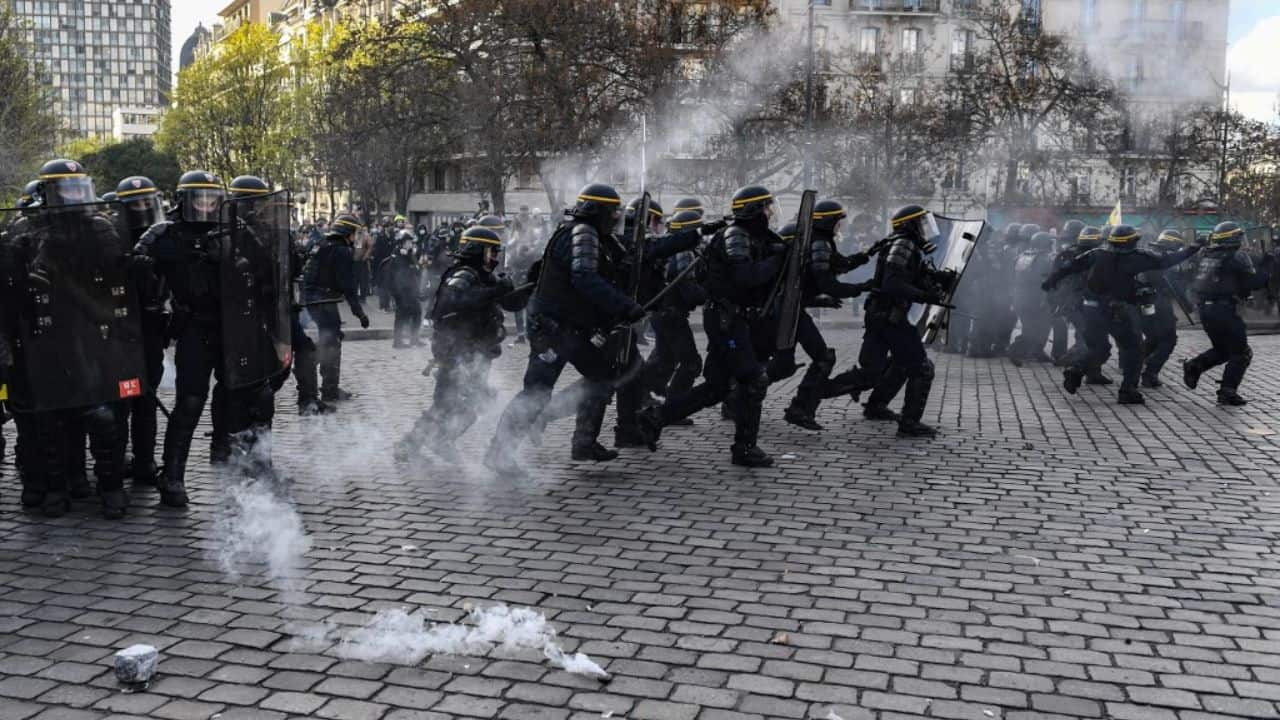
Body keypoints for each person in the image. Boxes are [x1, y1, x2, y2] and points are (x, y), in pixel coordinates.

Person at [483, 183, 644, 473]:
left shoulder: (590, 234)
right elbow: (585, 279)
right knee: (537, 392)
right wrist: (624, 306)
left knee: (603, 376)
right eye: (613, 211)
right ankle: (499, 453)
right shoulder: (582, 233)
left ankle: (584, 442)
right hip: (553, 330)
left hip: (569, 329)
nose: (616, 217)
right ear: (599, 211)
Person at [8, 159, 132, 517]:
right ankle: (56, 488)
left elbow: (117, 279)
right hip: (43, 336)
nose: (76, 197)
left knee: (103, 416)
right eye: (67, 190)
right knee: (49, 419)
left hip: (93, 334)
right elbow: (11, 290)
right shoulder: (26, 233)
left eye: (80, 188)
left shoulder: (100, 230)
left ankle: (110, 487)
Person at [637, 185, 787, 467]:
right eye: (766, 207)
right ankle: (744, 448)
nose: (770, 212)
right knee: (753, 379)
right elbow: (745, 276)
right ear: (755, 210)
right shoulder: (736, 236)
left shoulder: (749, 236)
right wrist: (775, 261)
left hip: (728, 318)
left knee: (717, 387)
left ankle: (656, 418)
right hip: (725, 320)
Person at [397, 226, 529, 462]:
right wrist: (495, 290)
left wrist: (525, 287)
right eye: (491, 252)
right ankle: (410, 445)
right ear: (477, 250)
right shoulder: (464, 274)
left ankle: (437, 440)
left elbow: (506, 302)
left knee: (471, 403)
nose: (495, 258)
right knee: (447, 404)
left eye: (497, 252)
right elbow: (457, 300)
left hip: (474, 350)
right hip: (455, 350)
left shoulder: (482, 276)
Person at [1043, 224, 1199, 404]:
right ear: (1133, 241)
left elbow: (1071, 266)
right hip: (1116, 311)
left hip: (1091, 310)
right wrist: (1193, 248)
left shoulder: (1096, 254)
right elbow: (1167, 260)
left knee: (1100, 349)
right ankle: (1128, 391)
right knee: (1134, 350)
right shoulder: (1136, 258)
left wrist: (1051, 282)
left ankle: (1076, 371)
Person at [778, 200, 872, 431]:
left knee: (781, 365)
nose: (840, 226)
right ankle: (800, 408)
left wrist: (865, 255)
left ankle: (736, 400)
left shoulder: (819, 241)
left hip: (788, 308)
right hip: (788, 310)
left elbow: (836, 266)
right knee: (823, 357)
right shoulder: (819, 243)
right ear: (829, 221)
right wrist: (858, 288)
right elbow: (826, 281)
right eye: (838, 221)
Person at [115, 176, 169, 486]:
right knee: (121, 399)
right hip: (120, 329)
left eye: (147, 201)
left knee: (146, 399)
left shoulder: (163, 238)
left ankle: (145, 461)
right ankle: (117, 459)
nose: (142, 208)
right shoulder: (112, 237)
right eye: (135, 203)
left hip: (150, 328)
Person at [1183, 221, 1274, 405]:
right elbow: (1254, 282)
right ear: (1232, 239)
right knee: (1241, 353)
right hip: (1223, 310)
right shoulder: (1235, 257)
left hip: (1206, 310)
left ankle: (1195, 366)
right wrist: (1267, 266)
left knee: (1223, 350)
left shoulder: (1206, 255)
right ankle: (1227, 391)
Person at [641, 209, 707, 407]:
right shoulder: (684, 253)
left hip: (664, 314)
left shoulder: (673, 249)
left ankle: (640, 395)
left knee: (665, 361)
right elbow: (688, 288)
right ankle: (672, 407)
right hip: (671, 315)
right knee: (691, 363)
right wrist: (708, 293)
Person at [302, 214, 371, 403]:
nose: (356, 239)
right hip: (323, 300)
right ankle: (327, 389)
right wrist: (360, 313)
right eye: (355, 234)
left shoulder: (321, 244)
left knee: (329, 339)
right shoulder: (340, 251)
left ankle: (326, 386)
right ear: (347, 233)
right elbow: (348, 286)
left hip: (314, 299)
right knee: (331, 343)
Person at [1137, 229, 1190, 387]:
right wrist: (1187, 305)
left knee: (1153, 338)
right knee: (1168, 339)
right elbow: (1173, 285)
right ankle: (1150, 372)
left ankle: (1133, 364)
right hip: (1158, 302)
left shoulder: (1148, 254)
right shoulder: (1164, 259)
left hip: (1143, 302)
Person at [1008, 231, 1057, 365]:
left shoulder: (1022, 256)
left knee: (1030, 327)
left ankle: (1036, 351)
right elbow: (1045, 280)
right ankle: (1015, 350)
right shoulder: (1046, 258)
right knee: (1038, 328)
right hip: (1036, 297)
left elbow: (1012, 277)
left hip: (1020, 297)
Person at [387, 226, 425, 348]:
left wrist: (411, 259)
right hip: (401, 291)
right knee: (402, 315)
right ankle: (397, 341)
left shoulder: (409, 254)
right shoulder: (396, 255)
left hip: (411, 289)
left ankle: (414, 339)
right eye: (408, 242)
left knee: (417, 313)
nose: (410, 244)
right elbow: (400, 273)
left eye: (411, 242)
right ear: (402, 243)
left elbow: (417, 269)